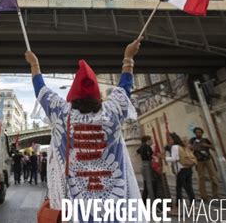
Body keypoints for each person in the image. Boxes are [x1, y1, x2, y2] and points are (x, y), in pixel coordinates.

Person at [24, 38, 142, 221]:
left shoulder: (63, 114)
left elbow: (41, 90)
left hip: (77, 207)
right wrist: (128, 57)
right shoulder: (112, 112)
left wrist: (34, 64)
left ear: (73, 94)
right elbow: (125, 88)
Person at [163, 132, 195, 210]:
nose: (169, 141)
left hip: (181, 170)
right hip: (188, 168)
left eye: (170, 139)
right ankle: (192, 205)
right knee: (189, 188)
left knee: (179, 189)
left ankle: (177, 207)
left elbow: (174, 159)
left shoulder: (174, 147)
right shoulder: (182, 146)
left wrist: (164, 158)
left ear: (174, 139)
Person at [189, 127, 219, 201]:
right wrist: (193, 147)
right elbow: (189, 148)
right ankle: (203, 196)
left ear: (202, 133)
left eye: (199, 132)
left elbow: (214, 148)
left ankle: (215, 194)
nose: (198, 133)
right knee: (201, 178)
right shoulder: (192, 140)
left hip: (208, 159)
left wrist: (207, 145)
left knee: (213, 176)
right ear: (194, 133)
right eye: (196, 132)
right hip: (199, 161)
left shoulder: (206, 140)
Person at [136, 135, 158, 203]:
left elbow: (137, 152)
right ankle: (151, 201)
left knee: (146, 184)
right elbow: (150, 156)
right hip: (147, 166)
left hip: (144, 166)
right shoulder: (146, 147)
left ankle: (144, 201)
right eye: (151, 140)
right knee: (150, 184)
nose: (152, 141)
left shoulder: (142, 146)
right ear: (147, 141)